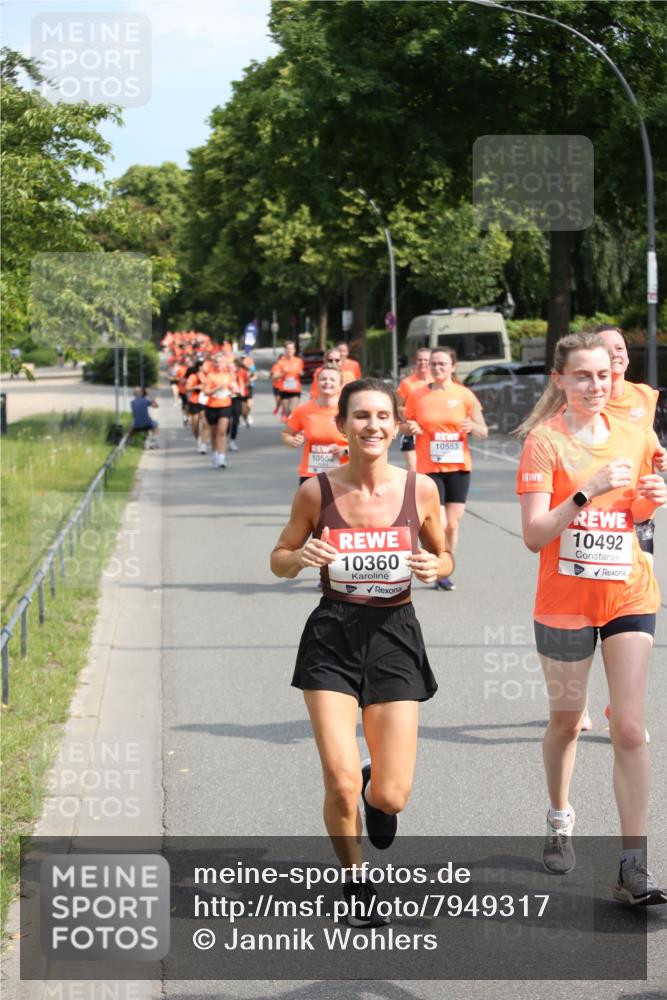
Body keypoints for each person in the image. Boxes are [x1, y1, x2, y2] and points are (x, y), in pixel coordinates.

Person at [271, 378, 453, 925]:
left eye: (381, 416)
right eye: (360, 417)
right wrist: (301, 555)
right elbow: (277, 558)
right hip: (332, 636)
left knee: (390, 797)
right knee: (340, 783)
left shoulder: (421, 490)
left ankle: (378, 786)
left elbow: (445, 558)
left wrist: (433, 566)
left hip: (395, 634)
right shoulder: (315, 492)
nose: (371, 426)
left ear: (396, 425)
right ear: (342, 425)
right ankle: (355, 881)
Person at [516, 331, 667, 905]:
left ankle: (633, 865)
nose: (595, 386)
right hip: (564, 603)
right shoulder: (544, 443)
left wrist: (654, 494)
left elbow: (637, 511)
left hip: (629, 593)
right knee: (566, 721)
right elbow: (534, 535)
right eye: (582, 376)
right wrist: (585, 492)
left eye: (602, 376)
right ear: (561, 381)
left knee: (629, 727)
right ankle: (559, 814)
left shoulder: (635, 431)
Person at [401, 347, 487, 590]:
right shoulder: (417, 395)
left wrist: (472, 426)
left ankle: (445, 563)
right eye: (434, 364)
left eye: (442, 364)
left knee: (453, 524)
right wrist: (412, 428)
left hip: (459, 467)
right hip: (429, 468)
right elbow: (404, 426)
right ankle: (439, 567)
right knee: (439, 522)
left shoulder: (464, 395)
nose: (437, 368)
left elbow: (483, 430)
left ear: (452, 367)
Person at [283, 365, 349, 483]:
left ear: (341, 385)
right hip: (311, 474)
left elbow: (362, 442)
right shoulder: (303, 410)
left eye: (332, 379)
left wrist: (344, 450)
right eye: (323, 379)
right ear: (317, 382)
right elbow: (286, 434)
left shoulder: (348, 411)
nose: (327, 382)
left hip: (342, 474)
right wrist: (291, 441)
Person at [396, 348, 432, 472]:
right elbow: (396, 406)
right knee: (413, 468)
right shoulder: (407, 383)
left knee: (430, 468)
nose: (423, 363)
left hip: (431, 429)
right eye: (420, 360)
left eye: (426, 360)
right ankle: (413, 491)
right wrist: (406, 411)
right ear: (415, 362)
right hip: (411, 429)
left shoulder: (436, 381)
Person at [201, 353, 238, 468]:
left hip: (225, 405)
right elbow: (206, 392)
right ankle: (215, 454)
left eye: (221, 361)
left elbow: (234, 388)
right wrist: (217, 388)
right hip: (211, 406)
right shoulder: (210, 376)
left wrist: (234, 390)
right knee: (214, 433)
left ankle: (222, 457)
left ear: (225, 363)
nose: (219, 364)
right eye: (217, 362)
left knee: (222, 431)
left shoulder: (229, 375)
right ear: (214, 363)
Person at [272, 341, 305, 421]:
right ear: (285, 350)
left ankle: (294, 430)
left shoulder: (299, 361)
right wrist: (282, 373)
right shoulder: (280, 362)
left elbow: (301, 372)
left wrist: (301, 373)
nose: (289, 350)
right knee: (287, 412)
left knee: (292, 410)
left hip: (295, 389)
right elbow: (274, 377)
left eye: (291, 348)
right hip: (284, 389)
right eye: (288, 349)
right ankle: (290, 428)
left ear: (294, 350)